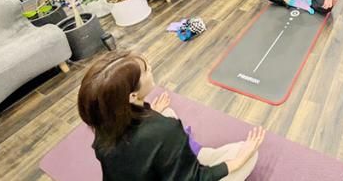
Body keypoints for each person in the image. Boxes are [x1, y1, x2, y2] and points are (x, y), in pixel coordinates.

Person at [78, 52, 264, 181]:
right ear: (132, 96)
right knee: (249, 155)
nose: (150, 68)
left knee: (167, 112)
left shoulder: (104, 120)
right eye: (145, 71)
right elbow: (196, 179)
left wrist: (149, 111)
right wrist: (237, 162)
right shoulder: (165, 131)